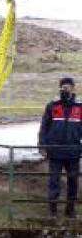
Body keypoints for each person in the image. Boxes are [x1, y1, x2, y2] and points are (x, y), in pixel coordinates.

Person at [39, 77, 82, 218]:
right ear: (60, 88)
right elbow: (44, 127)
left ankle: (70, 210)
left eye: (69, 86)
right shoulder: (52, 105)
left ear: (73, 88)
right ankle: (52, 211)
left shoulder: (80, 107)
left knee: (73, 181)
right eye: (64, 86)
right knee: (54, 181)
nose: (66, 88)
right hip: (55, 151)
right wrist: (42, 146)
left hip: (73, 152)